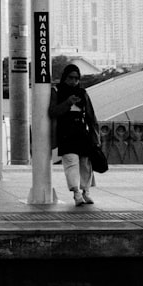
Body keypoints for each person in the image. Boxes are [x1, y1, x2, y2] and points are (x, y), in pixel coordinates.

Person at [48, 64, 100, 206]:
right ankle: (76, 193)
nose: (74, 81)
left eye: (77, 78)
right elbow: (53, 111)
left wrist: (95, 136)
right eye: (71, 78)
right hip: (65, 132)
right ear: (65, 77)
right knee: (71, 162)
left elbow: (91, 116)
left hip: (81, 131)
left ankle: (86, 191)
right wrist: (68, 103)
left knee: (85, 163)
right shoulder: (57, 91)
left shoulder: (82, 93)